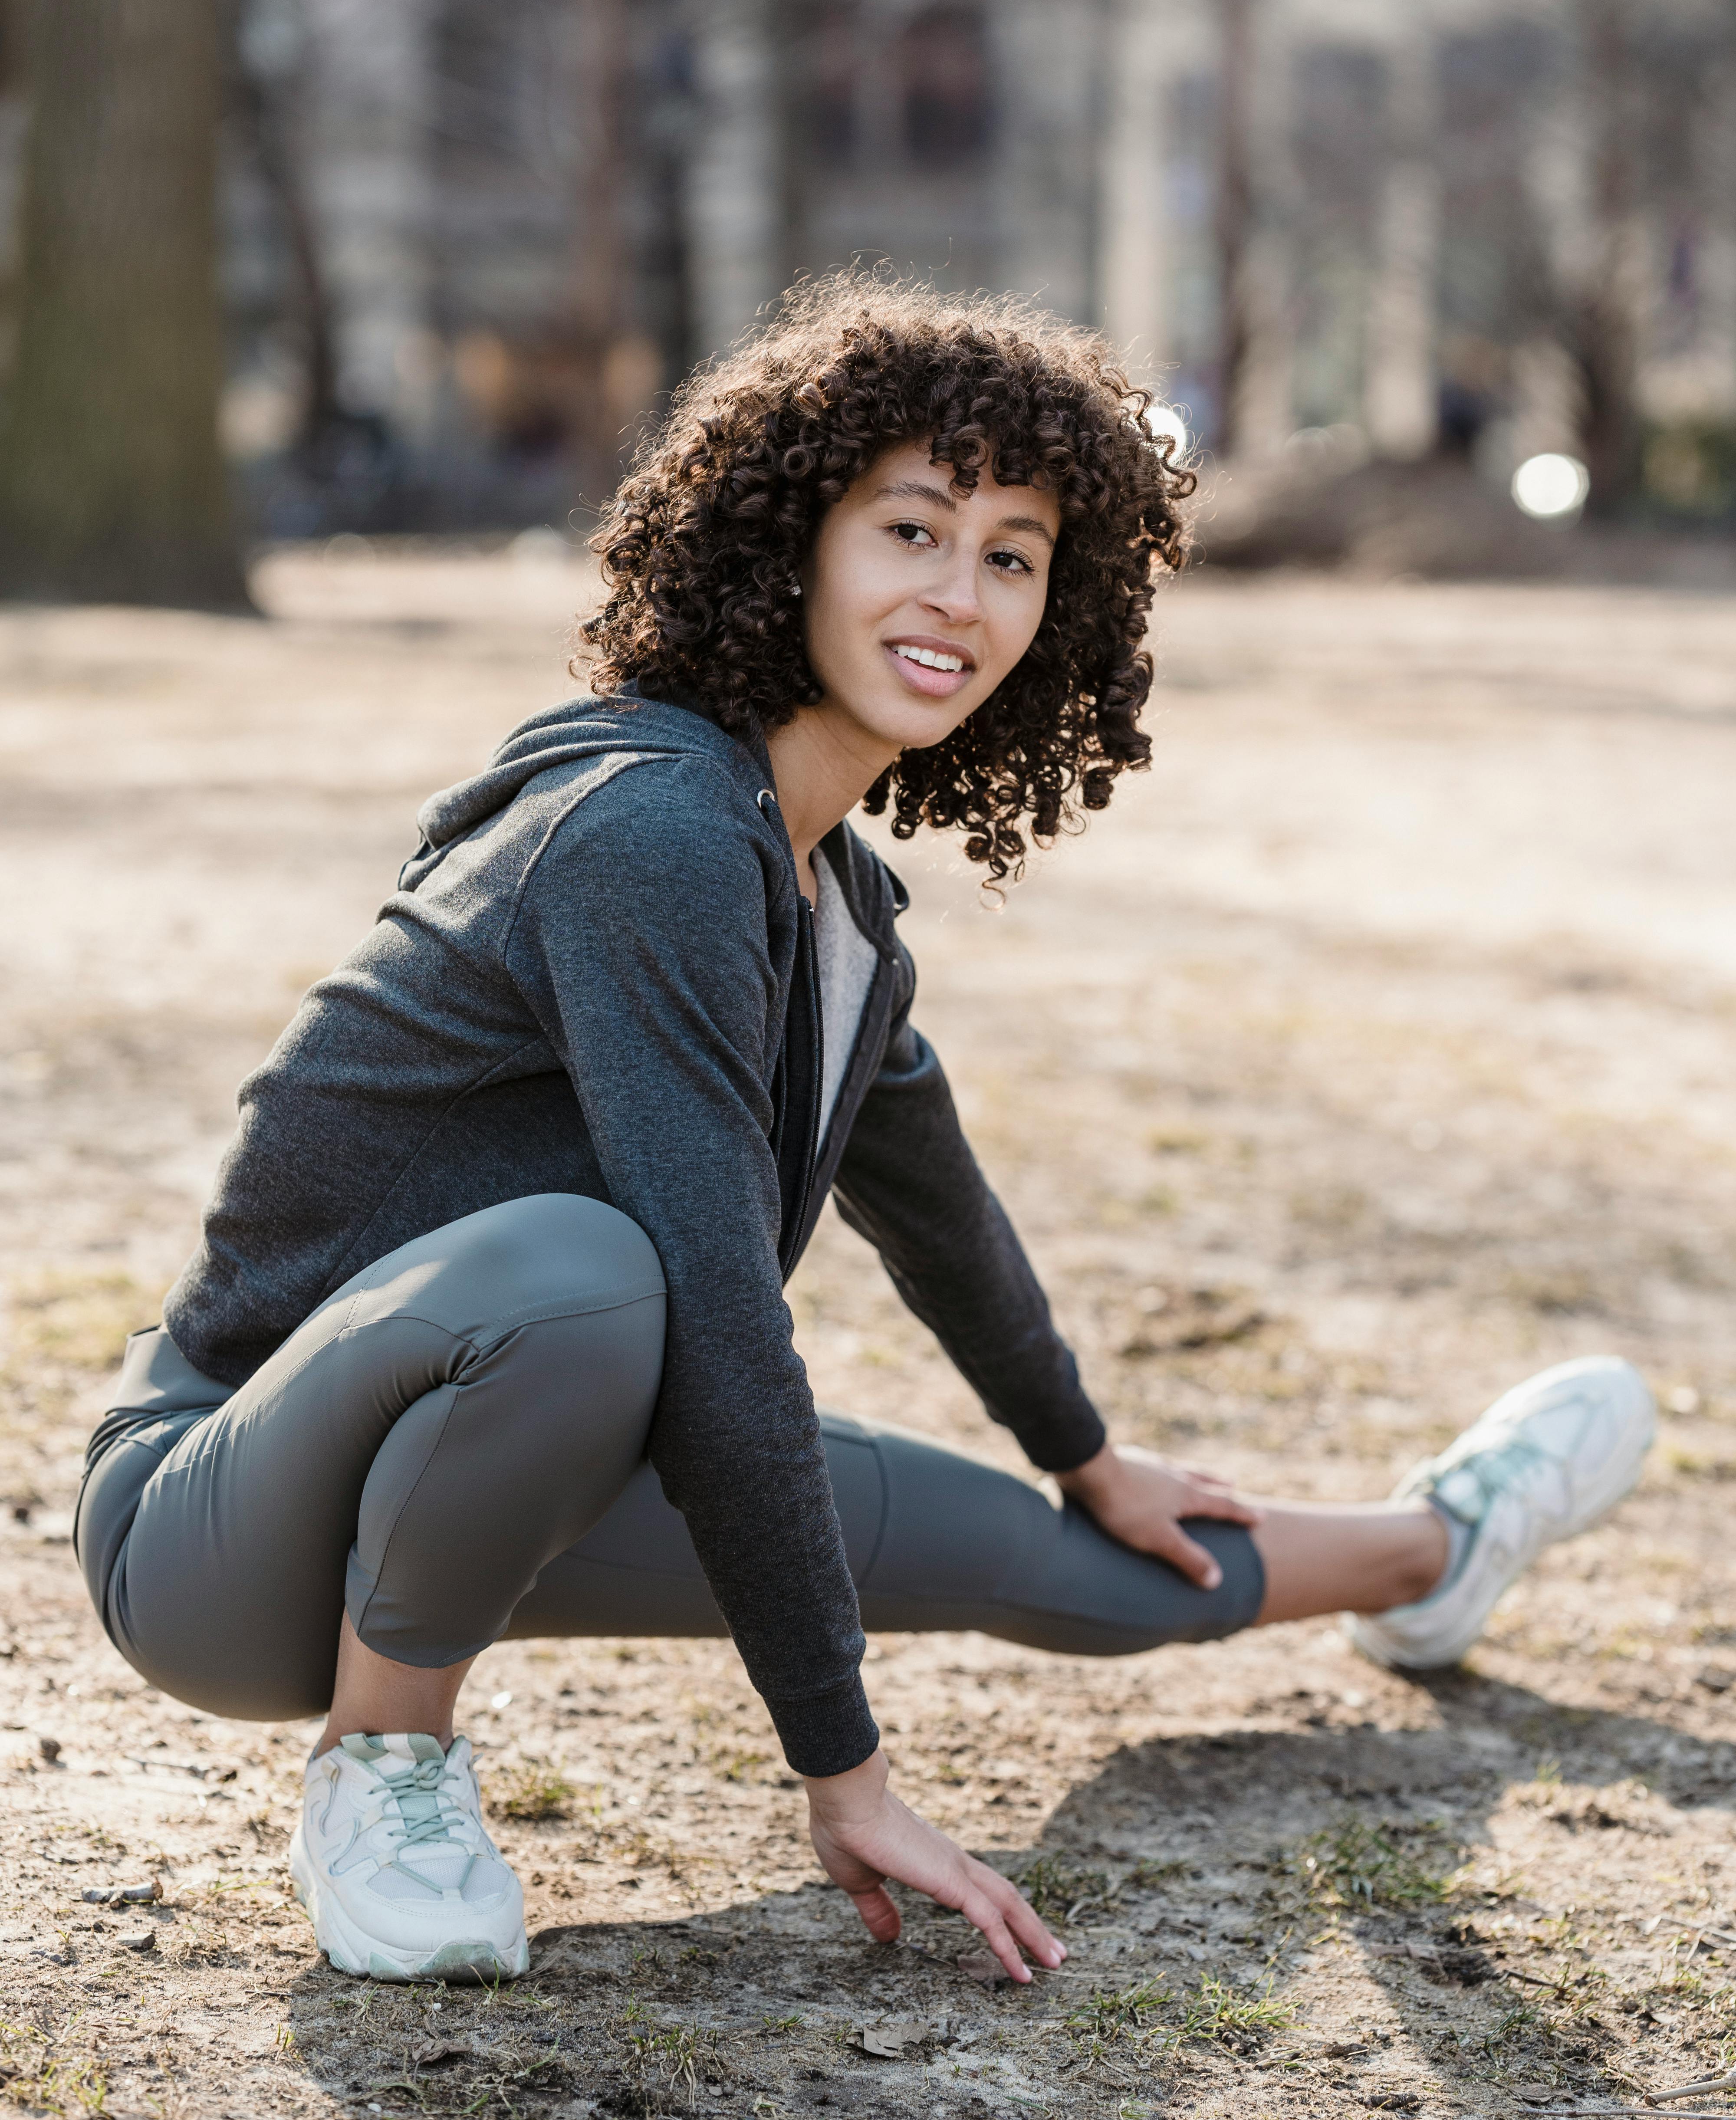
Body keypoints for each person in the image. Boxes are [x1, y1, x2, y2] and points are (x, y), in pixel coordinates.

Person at [75, 281, 1656, 1988]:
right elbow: (710, 1295)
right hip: (216, 1525)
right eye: (910, 528)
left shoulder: (834, 905)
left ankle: (1434, 1542)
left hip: (501, 1470)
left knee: (1072, 1570)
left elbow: (943, 1217)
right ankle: (383, 1764)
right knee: (596, 1267)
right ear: (790, 540)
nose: (956, 595)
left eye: (1011, 555)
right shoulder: (650, 831)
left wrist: (1088, 1454)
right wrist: (848, 1774)